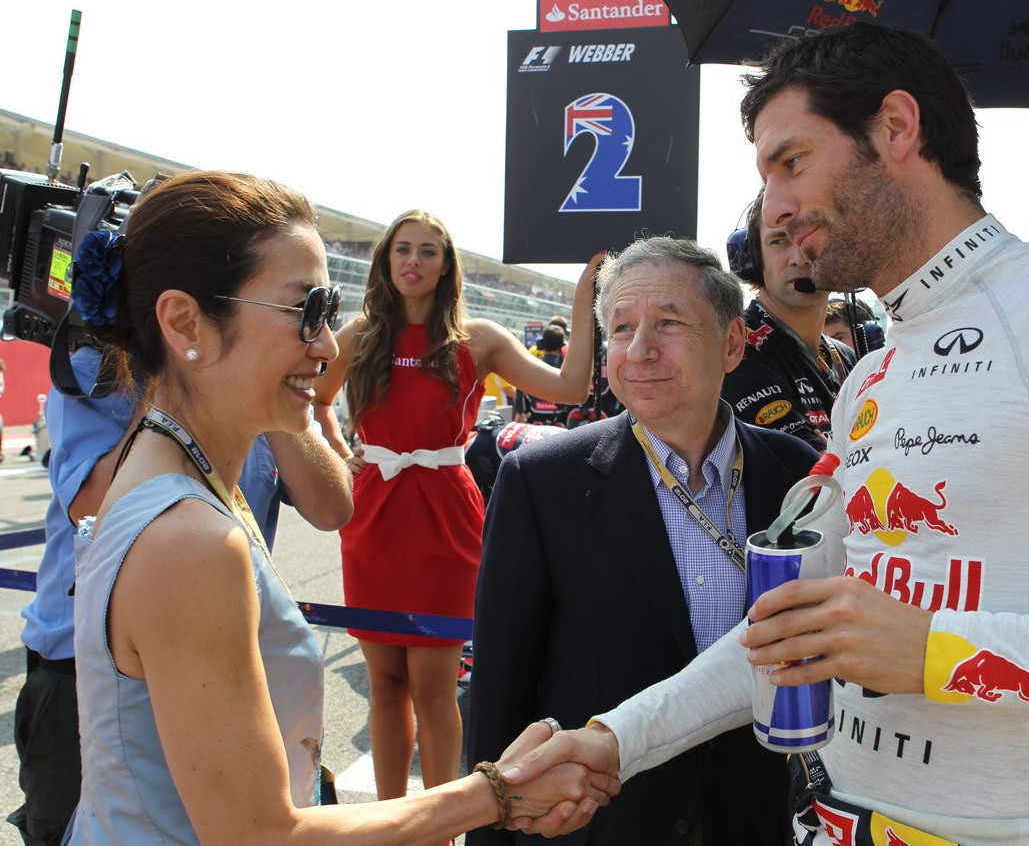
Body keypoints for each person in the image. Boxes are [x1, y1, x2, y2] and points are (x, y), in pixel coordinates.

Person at [499, 22, 1029, 845]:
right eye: (767, 178)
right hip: (830, 820)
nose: (776, 207)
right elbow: (789, 635)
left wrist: (948, 652)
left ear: (898, 128)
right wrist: (614, 737)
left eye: (792, 161)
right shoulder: (870, 375)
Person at [62, 169, 613, 844]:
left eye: (329, 312)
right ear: (184, 322)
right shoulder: (192, 539)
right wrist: (494, 792)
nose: (326, 347)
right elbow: (263, 835)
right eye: (307, 310)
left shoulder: (173, 471)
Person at [467, 236, 817, 846]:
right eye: (622, 329)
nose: (640, 350)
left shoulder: (796, 473)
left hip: (760, 815)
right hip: (605, 821)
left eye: (669, 324)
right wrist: (492, 826)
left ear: (733, 343)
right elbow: (502, 684)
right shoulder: (544, 481)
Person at [8, 336, 351, 846]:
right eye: (298, 306)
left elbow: (331, 507)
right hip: (87, 676)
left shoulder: (259, 379)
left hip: (227, 667)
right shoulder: (91, 369)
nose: (320, 341)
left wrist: (266, 391)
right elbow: (96, 510)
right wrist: (176, 380)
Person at [312, 209, 598, 799]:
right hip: (372, 516)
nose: (413, 261)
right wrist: (340, 454)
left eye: (428, 251)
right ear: (386, 260)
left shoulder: (479, 338)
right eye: (403, 250)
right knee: (385, 683)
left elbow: (570, 388)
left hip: (447, 515)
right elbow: (309, 399)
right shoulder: (359, 335)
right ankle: (393, 826)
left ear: (447, 266)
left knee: (434, 687)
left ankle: (440, 830)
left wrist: (582, 302)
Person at [722, 191, 857, 451]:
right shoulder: (737, 351)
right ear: (753, 258)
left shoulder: (848, 359)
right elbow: (807, 469)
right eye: (780, 241)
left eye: (812, 236)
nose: (800, 257)